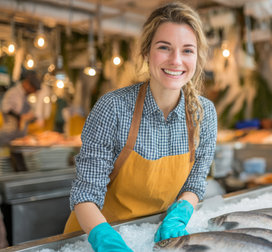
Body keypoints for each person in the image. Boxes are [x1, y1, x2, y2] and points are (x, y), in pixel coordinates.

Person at [63, 2, 217, 251]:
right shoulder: (113, 108)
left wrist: (179, 214)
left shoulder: (204, 113)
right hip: (94, 237)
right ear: (146, 52)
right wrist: (105, 239)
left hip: (153, 236)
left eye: (187, 50)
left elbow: (195, 183)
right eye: (164, 47)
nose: (176, 60)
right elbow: (85, 195)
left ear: (197, 57)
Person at [0, 70, 41, 144]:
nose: (33, 92)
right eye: (33, 89)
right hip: (10, 126)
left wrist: (30, 117)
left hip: (20, 131)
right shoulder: (14, 92)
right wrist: (20, 117)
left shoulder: (26, 96)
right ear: (27, 84)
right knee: (8, 137)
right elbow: (5, 108)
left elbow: (29, 112)